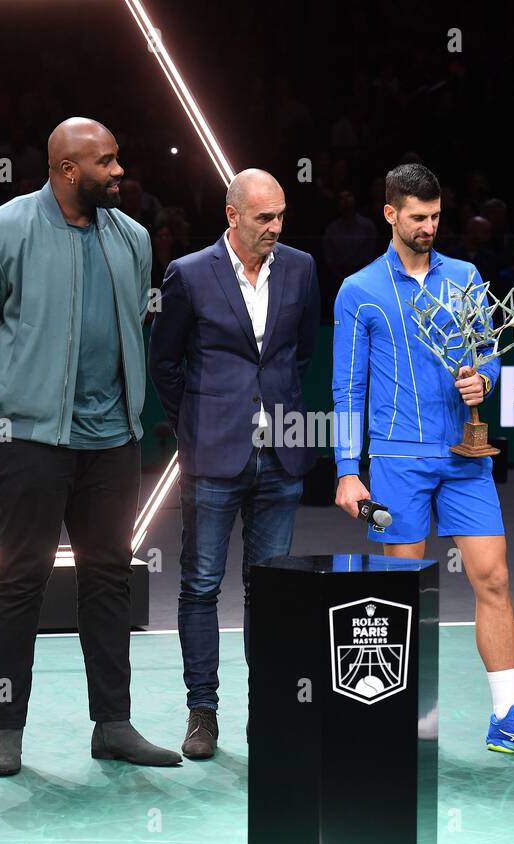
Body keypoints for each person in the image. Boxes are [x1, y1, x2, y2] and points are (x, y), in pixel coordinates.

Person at [0, 117, 180, 774]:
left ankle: (114, 724)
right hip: (31, 442)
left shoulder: (132, 238)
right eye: (107, 162)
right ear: (69, 170)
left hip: (111, 444)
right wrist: (0, 408)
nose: (119, 171)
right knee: (21, 581)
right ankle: (5, 729)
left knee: (108, 579)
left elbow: (131, 324)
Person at [333, 163, 514, 759]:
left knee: (494, 577)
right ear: (390, 214)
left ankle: (506, 718)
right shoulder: (359, 290)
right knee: (399, 590)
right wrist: (346, 469)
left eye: (436, 216)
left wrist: (481, 381)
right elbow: (346, 388)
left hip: (465, 458)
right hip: (396, 462)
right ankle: (391, 720)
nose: (429, 226)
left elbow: (487, 356)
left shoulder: (464, 276)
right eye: (417, 217)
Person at [149, 169, 321, 759]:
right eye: (263, 218)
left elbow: (300, 356)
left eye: (280, 216)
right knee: (199, 585)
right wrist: (197, 424)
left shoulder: (300, 268)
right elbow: (165, 364)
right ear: (232, 216)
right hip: (213, 455)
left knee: (269, 591)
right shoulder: (189, 274)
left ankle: (267, 707)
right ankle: (203, 713)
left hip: (282, 456)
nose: (275, 227)